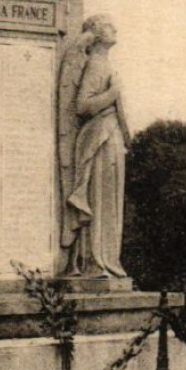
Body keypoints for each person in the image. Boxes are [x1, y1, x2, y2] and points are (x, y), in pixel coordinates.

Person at [57, 14, 130, 279]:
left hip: (110, 136)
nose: (115, 28)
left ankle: (106, 260)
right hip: (100, 138)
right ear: (96, 34)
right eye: (108, 26)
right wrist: (112, 93)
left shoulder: (104, 64)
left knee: (109, 200)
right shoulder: (96, 65)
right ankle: (96, 262)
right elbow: (82, 106)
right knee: (101, 199)